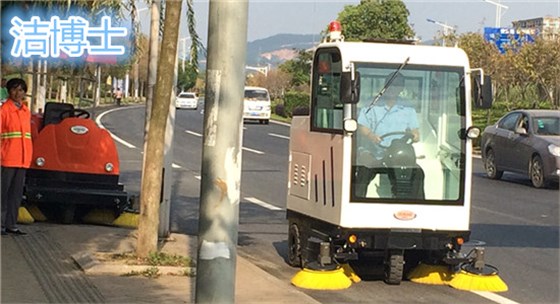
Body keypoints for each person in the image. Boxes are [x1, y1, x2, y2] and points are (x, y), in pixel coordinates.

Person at [353, 72, 424, 199]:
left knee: (418, 173)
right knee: (363, 173)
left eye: (397, 85)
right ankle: (357, 202)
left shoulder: (408, 107)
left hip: (398, 155)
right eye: (390, 85)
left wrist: (415, 135)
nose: (393, 88)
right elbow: (361, 126)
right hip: (376, 153)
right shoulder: (371, 104)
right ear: (385, 86)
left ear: (402, 88)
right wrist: (371, 135)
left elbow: (415, 131)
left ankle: (417, 206)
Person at [1, 78, 32, 235]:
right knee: (3, 193)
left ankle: (11, 225)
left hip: (22, 160)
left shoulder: (26, 112)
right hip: (6, 158)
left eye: (20, 90)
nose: (17, 93)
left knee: (16, 194)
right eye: (14, 89)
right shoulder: (4, 111)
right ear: (8, 91)